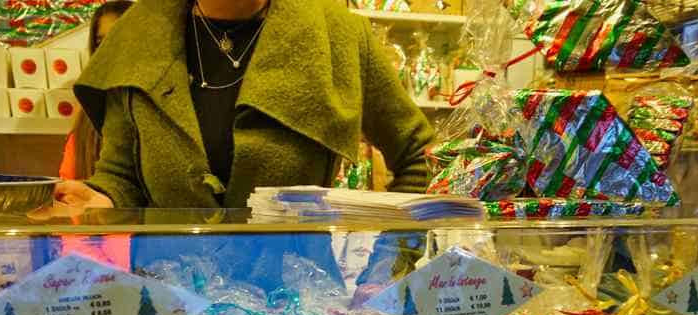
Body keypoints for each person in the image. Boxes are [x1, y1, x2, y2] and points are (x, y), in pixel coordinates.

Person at [54, 0, 435, 291]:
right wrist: (98, 199)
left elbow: (419, 155)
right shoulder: (136, 36)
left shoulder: (338, 36)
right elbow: (121, 175)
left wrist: (385, 272)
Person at [55, 0, 135, 271]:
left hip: (161, 267)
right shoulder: (87, 121)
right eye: (102, 42)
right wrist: (100, 274)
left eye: (123, 38)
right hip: (104, 275)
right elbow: (71, 205)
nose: (112, 51)